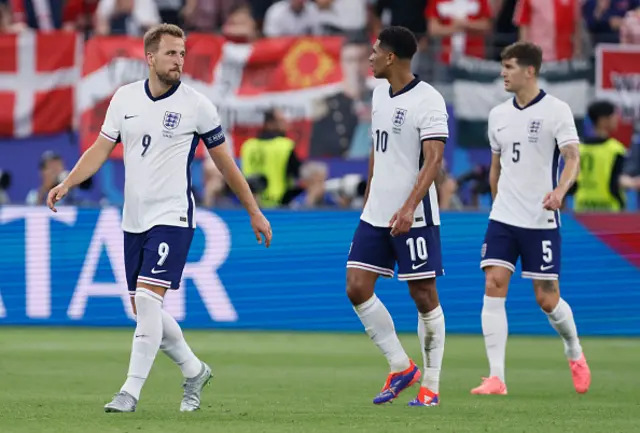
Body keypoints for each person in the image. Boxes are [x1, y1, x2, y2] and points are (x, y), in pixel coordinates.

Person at [46, 23, 272, 413]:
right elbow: (101, 149)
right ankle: (195, 370)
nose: (178, 60)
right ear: (150, 58)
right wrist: (66, 183)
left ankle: (129, 392)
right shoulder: (124, 98)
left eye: (182, 54)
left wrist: (253, 210)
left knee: (149, 302)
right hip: (133, 219)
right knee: (143, 308)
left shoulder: (197, 105)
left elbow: (226, 165)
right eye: (171, 53)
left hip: (173, 216)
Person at [472, 41, 591, 396]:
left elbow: (572, 157)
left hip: (540, 219)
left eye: (508, 67)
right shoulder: (497, 115)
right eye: (502, 66)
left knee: (547, 298)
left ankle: (574, 350)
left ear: (530, 71)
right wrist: (497, 206)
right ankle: (496, 377)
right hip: (504, 218)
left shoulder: (557, 110)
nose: (502, 73)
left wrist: (560, 191)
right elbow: (496, 168)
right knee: (494, 283)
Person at [345, 26, 448, 407]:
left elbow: (434, 160)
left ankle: (431, 386)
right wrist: (370, 196)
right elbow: (377, 147)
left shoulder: (429, 100)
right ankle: (401, 366)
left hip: (414, 216)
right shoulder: (378, 94)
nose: (369, 57)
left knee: (422, 294)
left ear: (391, 57)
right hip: (376, 213)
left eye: (374, 51)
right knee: (356, 286)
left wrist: (408, 208)